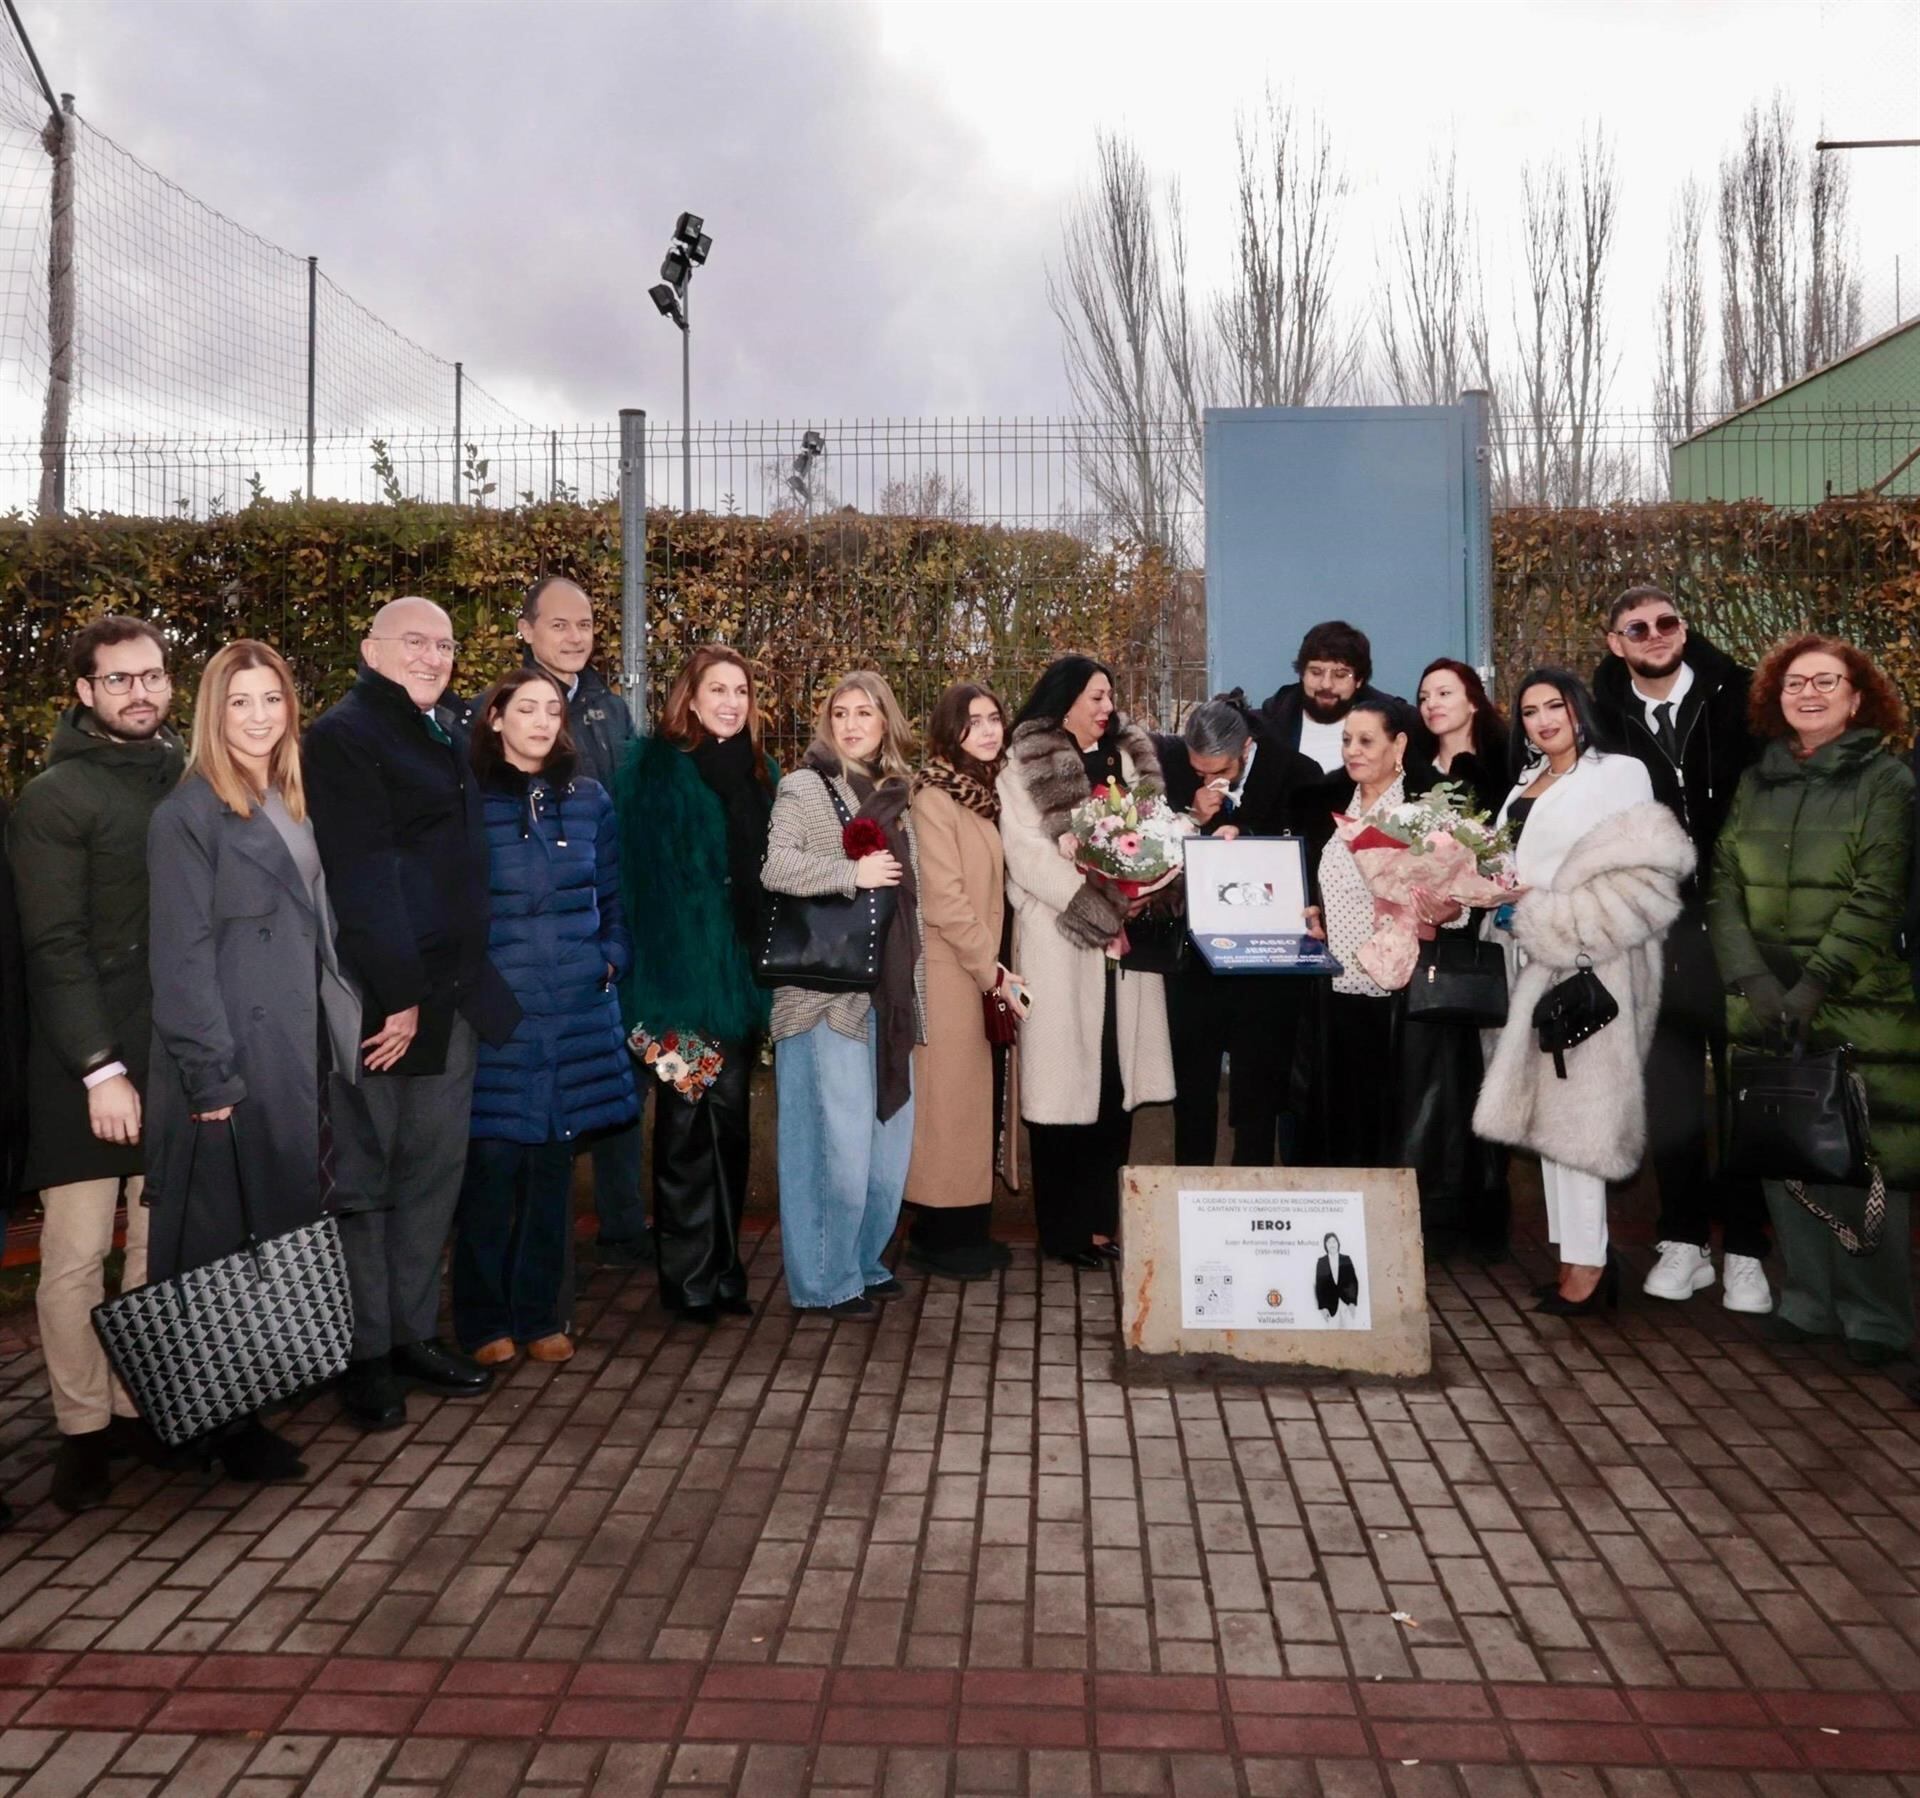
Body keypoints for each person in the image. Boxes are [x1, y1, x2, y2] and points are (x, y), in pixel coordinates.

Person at [145, 639, 362, 1481]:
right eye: (241, 702)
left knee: (267, 1229)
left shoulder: (289, 797)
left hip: (290, 1047)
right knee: (215, 1245)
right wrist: (210, 1076)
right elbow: (181, 957)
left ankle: (241, 1405)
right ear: (213, 712)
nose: (261, 715)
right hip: (230, 1055)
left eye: (272, 698)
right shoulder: (188, 814)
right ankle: (212, 1428)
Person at [305, 596, 521, 1432]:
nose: (433, 656)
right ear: (371, 648)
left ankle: (409, 1335)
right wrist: (395, 995)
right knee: (367, 1179)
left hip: (450, 995)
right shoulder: (346, 736)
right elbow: (362, 874)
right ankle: (364, 1357)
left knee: (431, 1177)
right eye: (415, 643)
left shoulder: (443, 729)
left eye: (445, 644)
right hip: (388, 1003)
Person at [6, 616, 185, 1511]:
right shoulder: (53, 797)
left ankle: (136, 1406)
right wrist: (98, 1069)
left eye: (151, 676)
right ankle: (81, 1430)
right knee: (75, 1255)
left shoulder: (187, 776)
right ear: (84, 692)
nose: (140, 692)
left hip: (172, 1050)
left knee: (158, 1246)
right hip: (85, 1061)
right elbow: (54, 944)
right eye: (118, 680)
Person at [1708, 635, 1919, 1367]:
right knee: (1783, 1149)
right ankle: (1806, 1301)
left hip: (1856, 1000)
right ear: (1775, 697)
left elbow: (1877, 894)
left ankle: (1878, 1318)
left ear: (1858, 698)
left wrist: (1812, 985)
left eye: (1828, 682)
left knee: (1867, 1158)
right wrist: (1755, 981)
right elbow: (1724, 885)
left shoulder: (1888, 781)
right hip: (1765, 1000)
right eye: (1796, 682)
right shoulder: (1755, 780)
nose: (1810, 693)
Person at [1476, 669, 1692, 1316]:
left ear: (1579, 710)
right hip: (1525, 956)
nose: (1544, 720)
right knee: (1549, 1116)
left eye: (1556, 706)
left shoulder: (1617, 773)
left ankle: (1591, 1269)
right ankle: (1573, 1254)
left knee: (1580, 1118)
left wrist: (1540, 907)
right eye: (1531, 710)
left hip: (1587, 958)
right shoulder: (1524, 780)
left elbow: (1640, 873)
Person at [456, 574, 647, 1269]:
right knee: (515, 1138)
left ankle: (622, 1234)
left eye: (587, 624)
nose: (575, 636)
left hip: (588, 951)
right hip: (516, 977)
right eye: (559, 624)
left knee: (609, 1089)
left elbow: (620, 832)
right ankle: (516, 1283)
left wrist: (612, 950)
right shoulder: (492, 714)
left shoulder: (612, 712)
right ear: (526, 630)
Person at [1593, 586, 1769, 1315]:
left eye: (1668, 622)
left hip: (1743, 920)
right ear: (1615, 642)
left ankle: (1750, 1250)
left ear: (1684, 629)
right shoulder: (1599, 719)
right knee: (1667, 1086)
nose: (1656, 635)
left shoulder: (1745, 699)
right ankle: (1685, 1239)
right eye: (1638, 627)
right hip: (1656, 928)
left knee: (1746, 1086)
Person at [615, 647, 777, 1324]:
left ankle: (725, 1269)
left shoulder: (760, 773)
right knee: (685, 1124)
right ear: (690, 696)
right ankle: (686, 1277)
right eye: (718, 689)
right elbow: (638, 883)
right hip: (672, 988)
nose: (731, 702)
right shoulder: (657, 773)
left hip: (737, 986)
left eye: (741, 690)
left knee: (730, 1125)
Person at [1297, 698, 1494, 1250]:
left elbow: (1460, 909)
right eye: (1346, 741)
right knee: (1345, 1120)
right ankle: (1345, 1232)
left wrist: (1441, 907)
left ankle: (1399, 1239)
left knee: (1399, 1124)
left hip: (1403, 1000)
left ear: (1398, 745)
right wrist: (1318, 917)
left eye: (1365, 741)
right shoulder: (1336, 805)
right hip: (1339, 991)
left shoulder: (1428, 813)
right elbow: (1335, 890)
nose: (1352, 752)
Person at [1000, 656, 1173, 1267]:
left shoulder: (1127, 760)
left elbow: (1154, 839)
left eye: (1109, 696)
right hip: (1060, 942)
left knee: (1112, 1084)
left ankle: (1101, 1225)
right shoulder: (1022, 765)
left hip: (1121, 954)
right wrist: (1100, 909)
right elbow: (1026, 858)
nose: (1106, 706)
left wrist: (1144, 890)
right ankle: (1063, 1232)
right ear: (1066, 700)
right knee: (1061, 1094)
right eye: (1096, 696)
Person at [762, 671, 926, 1318]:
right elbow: (775, 866)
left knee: (886, 1147)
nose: (853, 724)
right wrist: (849, 872)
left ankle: (862, 1258)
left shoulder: (896, 796)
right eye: (841, 713)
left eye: (866, 712)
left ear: (886, 722)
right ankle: (823, 1281)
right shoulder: (804, 787)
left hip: (888, 993)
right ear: (827, 722)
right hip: (822, 994)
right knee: (832, 1146)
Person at [1156, 696, 1318, 1166]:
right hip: (1196, 960)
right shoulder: (1171, 771)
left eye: (1219, 770)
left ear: (1246, 747)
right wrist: (1197, 819)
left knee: (1259, 1095)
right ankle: (1191, 1191)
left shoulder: (1296, 773)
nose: (1208, 779)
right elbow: (1153, 855)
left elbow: (1310, 859)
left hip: (1267, 962)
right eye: (1198, 770)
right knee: (1194, 1090)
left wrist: (1246, 839)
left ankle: (1252, 1193)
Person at [902, 681, 1020, 1279]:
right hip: (951, 970)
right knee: (949, 1105)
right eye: (973, 722)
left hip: (978, 968)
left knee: (974, 1102)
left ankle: (967, 1227)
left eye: (994, 718)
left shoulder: (986, 793)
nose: (988, 730)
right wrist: (989, 968)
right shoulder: (934, 796)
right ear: (950, 731)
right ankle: (939, 1237)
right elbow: (944, 899)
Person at [1258, 620, 1405, 775]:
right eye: (1316, 672)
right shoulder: (1266, 725)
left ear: (1359, 680)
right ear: (1302, 674)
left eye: (1340, 675)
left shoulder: (1394, 724)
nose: (1326, 684)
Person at [1411, 659, 1511, 816]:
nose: (1431, 704)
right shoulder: (1412, 768)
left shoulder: (1506, 766)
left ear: (1473, 702)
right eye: (1424, 698)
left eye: (1444, 694)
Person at [1314, 1232, 1360, 1323]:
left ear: (1338, 1243)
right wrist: (1323, 1307)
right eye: (1329, 1242)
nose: (1332, 1245)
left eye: (1334, 1241)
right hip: (1330, 1307)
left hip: (1347, 1304)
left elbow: (1353, 1281)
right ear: (1325, 1245)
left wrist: (1352, 1302)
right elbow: (1319, 1286)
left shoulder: (1346, 1259)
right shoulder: (1321, 1262)